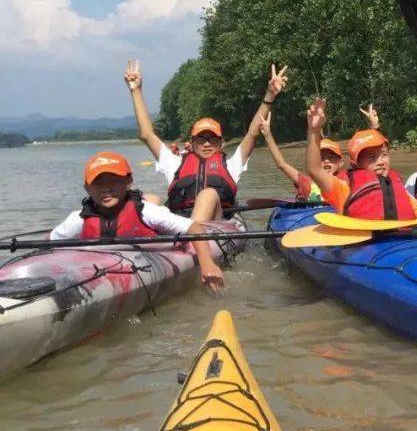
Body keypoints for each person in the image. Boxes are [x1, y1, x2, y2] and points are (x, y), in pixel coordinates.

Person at [125, 59, 288, 216]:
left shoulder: (231, 165)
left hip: (218, 222)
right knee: (148, 201)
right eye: (201, 139)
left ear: (221, 144)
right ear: (193, 142)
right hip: (182, 222)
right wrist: (136, 91)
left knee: (208, 195)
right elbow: (146, 135)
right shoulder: (175, 164)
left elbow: (253, 133)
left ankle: (195, 235)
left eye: (213, 139)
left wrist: (270, 95)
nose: (207, 144)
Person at [48, 151, 226, 291]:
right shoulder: (78, 219)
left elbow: (194, 228)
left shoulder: (146, 211)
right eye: (98, 183)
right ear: (87, 189)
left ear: (129, 182)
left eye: (115, 181)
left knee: (154, 203)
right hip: (102, 268)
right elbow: (50, 243)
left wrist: (207, 263)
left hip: (151, 258)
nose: (107, 189)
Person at [302, 98, 417, 220]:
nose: (380, 162)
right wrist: (314, 131)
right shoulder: (344, 189)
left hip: (402, 239)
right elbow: (314, 169)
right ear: (355, 165)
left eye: (384, 155)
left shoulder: (398, 189)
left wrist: (376, 127)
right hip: (363, 239)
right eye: (372, 157)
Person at [259, 112, 341, 202]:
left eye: (331, 158)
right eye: (321, 158)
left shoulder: (348, 182)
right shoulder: (307, 183)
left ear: (340, 163)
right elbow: (282, 165)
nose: (326, 161)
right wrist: (267, 134)